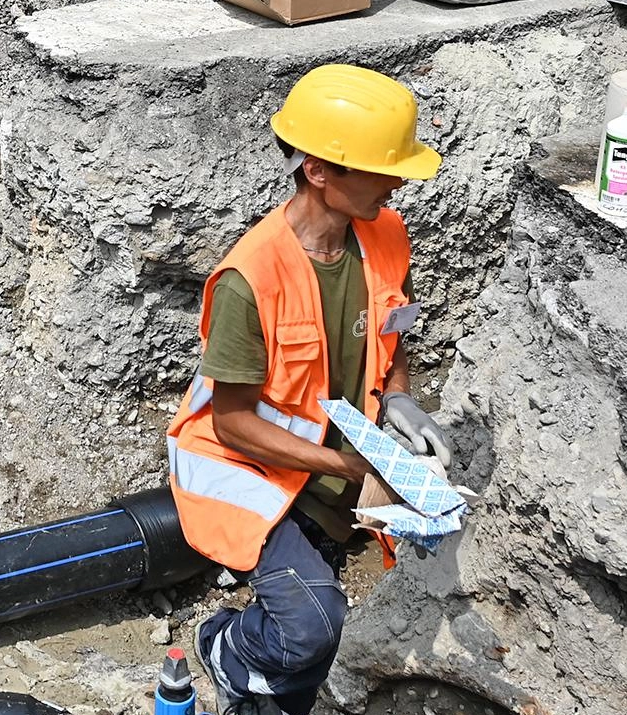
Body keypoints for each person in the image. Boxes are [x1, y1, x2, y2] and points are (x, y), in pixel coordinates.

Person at [166, 64, 453, 715]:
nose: (398, 180)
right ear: (319, 170)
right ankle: (225, 647)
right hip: (250, 472)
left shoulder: (385, 233)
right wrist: (352, 465)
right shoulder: (250, 277)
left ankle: (260, 695)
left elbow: (393, 328)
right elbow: (233, 422)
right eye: (382, 168)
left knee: (295, 664)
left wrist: (400, 398)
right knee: (312, 623)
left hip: (322, 470)